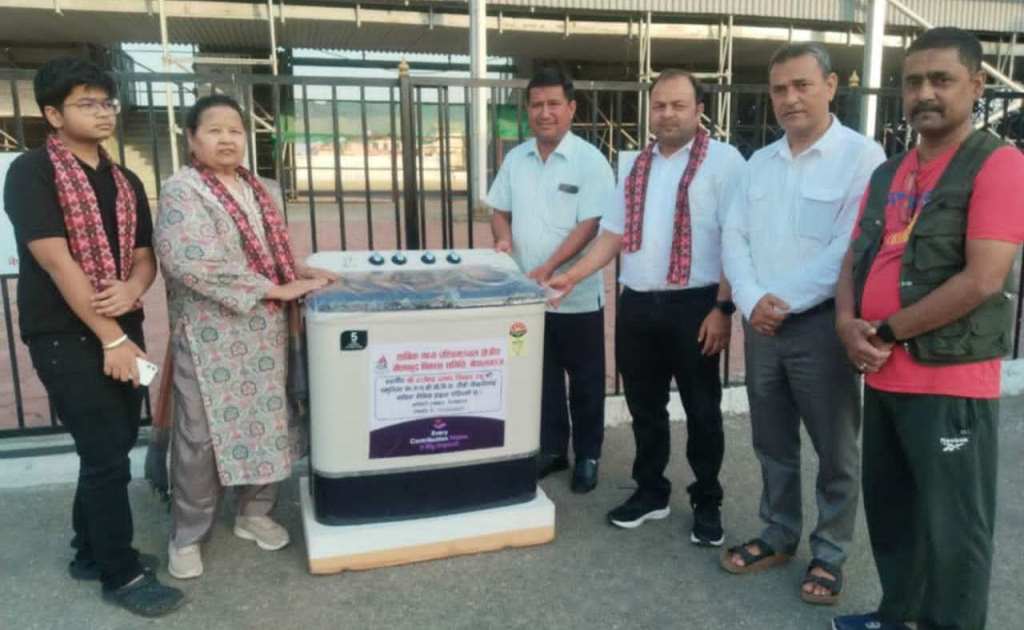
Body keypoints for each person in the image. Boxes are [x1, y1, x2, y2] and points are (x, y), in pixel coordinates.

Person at [832, 27, 1024, 630]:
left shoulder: (998, 164)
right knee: (893, 515)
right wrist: (846, 324)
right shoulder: (889, 172)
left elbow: (983, 279)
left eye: (941, 79)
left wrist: (885, 332)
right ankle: (899, 616)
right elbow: (854, 258)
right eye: (913, 81)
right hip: (884, 377)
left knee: (954, 529)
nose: (924, 93)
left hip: (950, 381)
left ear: (977, 84)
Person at [2, 57, 184, 617]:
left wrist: (132, 288)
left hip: (122, 325)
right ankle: (120, 573)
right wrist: (111, 338)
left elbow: (145, 257)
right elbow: (56, 262)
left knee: (111, 444)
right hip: (65, 334)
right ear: (53, 114)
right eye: (87, 103)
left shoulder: (126, 181)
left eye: (107, 102)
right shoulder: (31, 172)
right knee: (107, 455)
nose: (103, 112)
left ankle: (89, 551)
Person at [548, 69, 746, 545]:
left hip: (696, 304)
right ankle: (651, 491)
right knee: (644, 406)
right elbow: (612, 235)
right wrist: (574, 274)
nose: (667, 114)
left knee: (701, 409)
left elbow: (735, 238)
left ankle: (707, 499)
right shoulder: (637, 165)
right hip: (637, 303)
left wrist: (723, 308)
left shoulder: (725, 162)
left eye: (678, 105)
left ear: (700, 109)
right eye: (659, 105)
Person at [721, 42, 886, 605]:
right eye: (779, 89)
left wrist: (782, 300)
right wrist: (751, 300)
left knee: (836, 449)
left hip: (820, 326)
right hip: (762, 328)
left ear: (831, 86)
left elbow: (849, 247)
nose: (789, 99)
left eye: (802, 85)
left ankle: (830, 553)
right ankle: (778, 533)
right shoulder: (759, 163)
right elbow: (735, 236)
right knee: (771, 441)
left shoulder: (861, 157)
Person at [155, 94, 333, 580]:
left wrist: (298, 271)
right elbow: (188, 261)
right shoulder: (183, 190)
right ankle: (187, 536)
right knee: (201, 438)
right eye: (214, 130)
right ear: (191, 139)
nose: (227, 139)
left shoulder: (262, 188)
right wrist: (275, 288)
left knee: (271, 424)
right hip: (211, 336)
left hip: (266, 333)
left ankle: (254, 513)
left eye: (235, 130)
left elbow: (270, 252)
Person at [487, 68, 615, 493]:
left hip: (574, 295)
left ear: (571, 108)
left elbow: (591, 224)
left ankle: (589, 455)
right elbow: (499, 209)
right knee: (542, 378)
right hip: (527, 296)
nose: (545, 113)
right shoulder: (516, 159)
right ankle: (554, 449)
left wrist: (551, 267)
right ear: (528, 110)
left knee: (585, 381)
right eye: (537, 104)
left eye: (553, 104)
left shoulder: (590, 161)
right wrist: (503, 239)